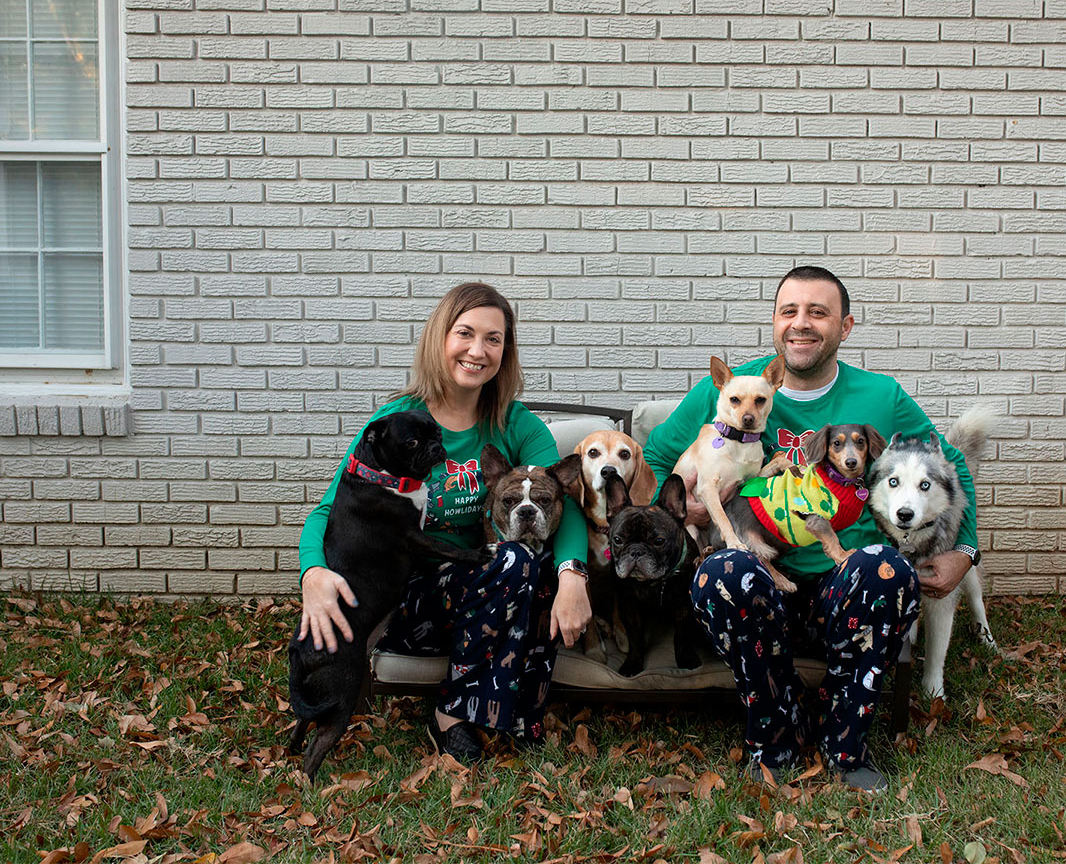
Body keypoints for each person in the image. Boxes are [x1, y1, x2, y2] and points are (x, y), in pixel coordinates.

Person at [643, 266, 980, 794]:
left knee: (887, 569)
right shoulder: (734, 389)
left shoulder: (881, 395)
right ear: (774, 322)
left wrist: (965, 549)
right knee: (721, 572)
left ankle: (844, 745)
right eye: (789, 311)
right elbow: (655, 460)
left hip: (844, 583)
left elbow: (950, 462)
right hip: (758, 579)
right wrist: (686, 508)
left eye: (817, 312)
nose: (800, 323)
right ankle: (775, 738)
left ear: (845, 327)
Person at [297, 282, 590, 764]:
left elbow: (563, 500)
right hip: (408, 600)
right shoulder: (396, 422)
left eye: (493, 339)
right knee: (514, 561)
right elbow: (330, 510)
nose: (478, 351)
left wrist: (573, 574)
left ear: (505, 352)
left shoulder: (515, 423)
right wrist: (312, 573)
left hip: (486, 587)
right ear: (441, 338)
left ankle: (514, 712)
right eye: (465, 333)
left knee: (525, 560)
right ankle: (451, 717)